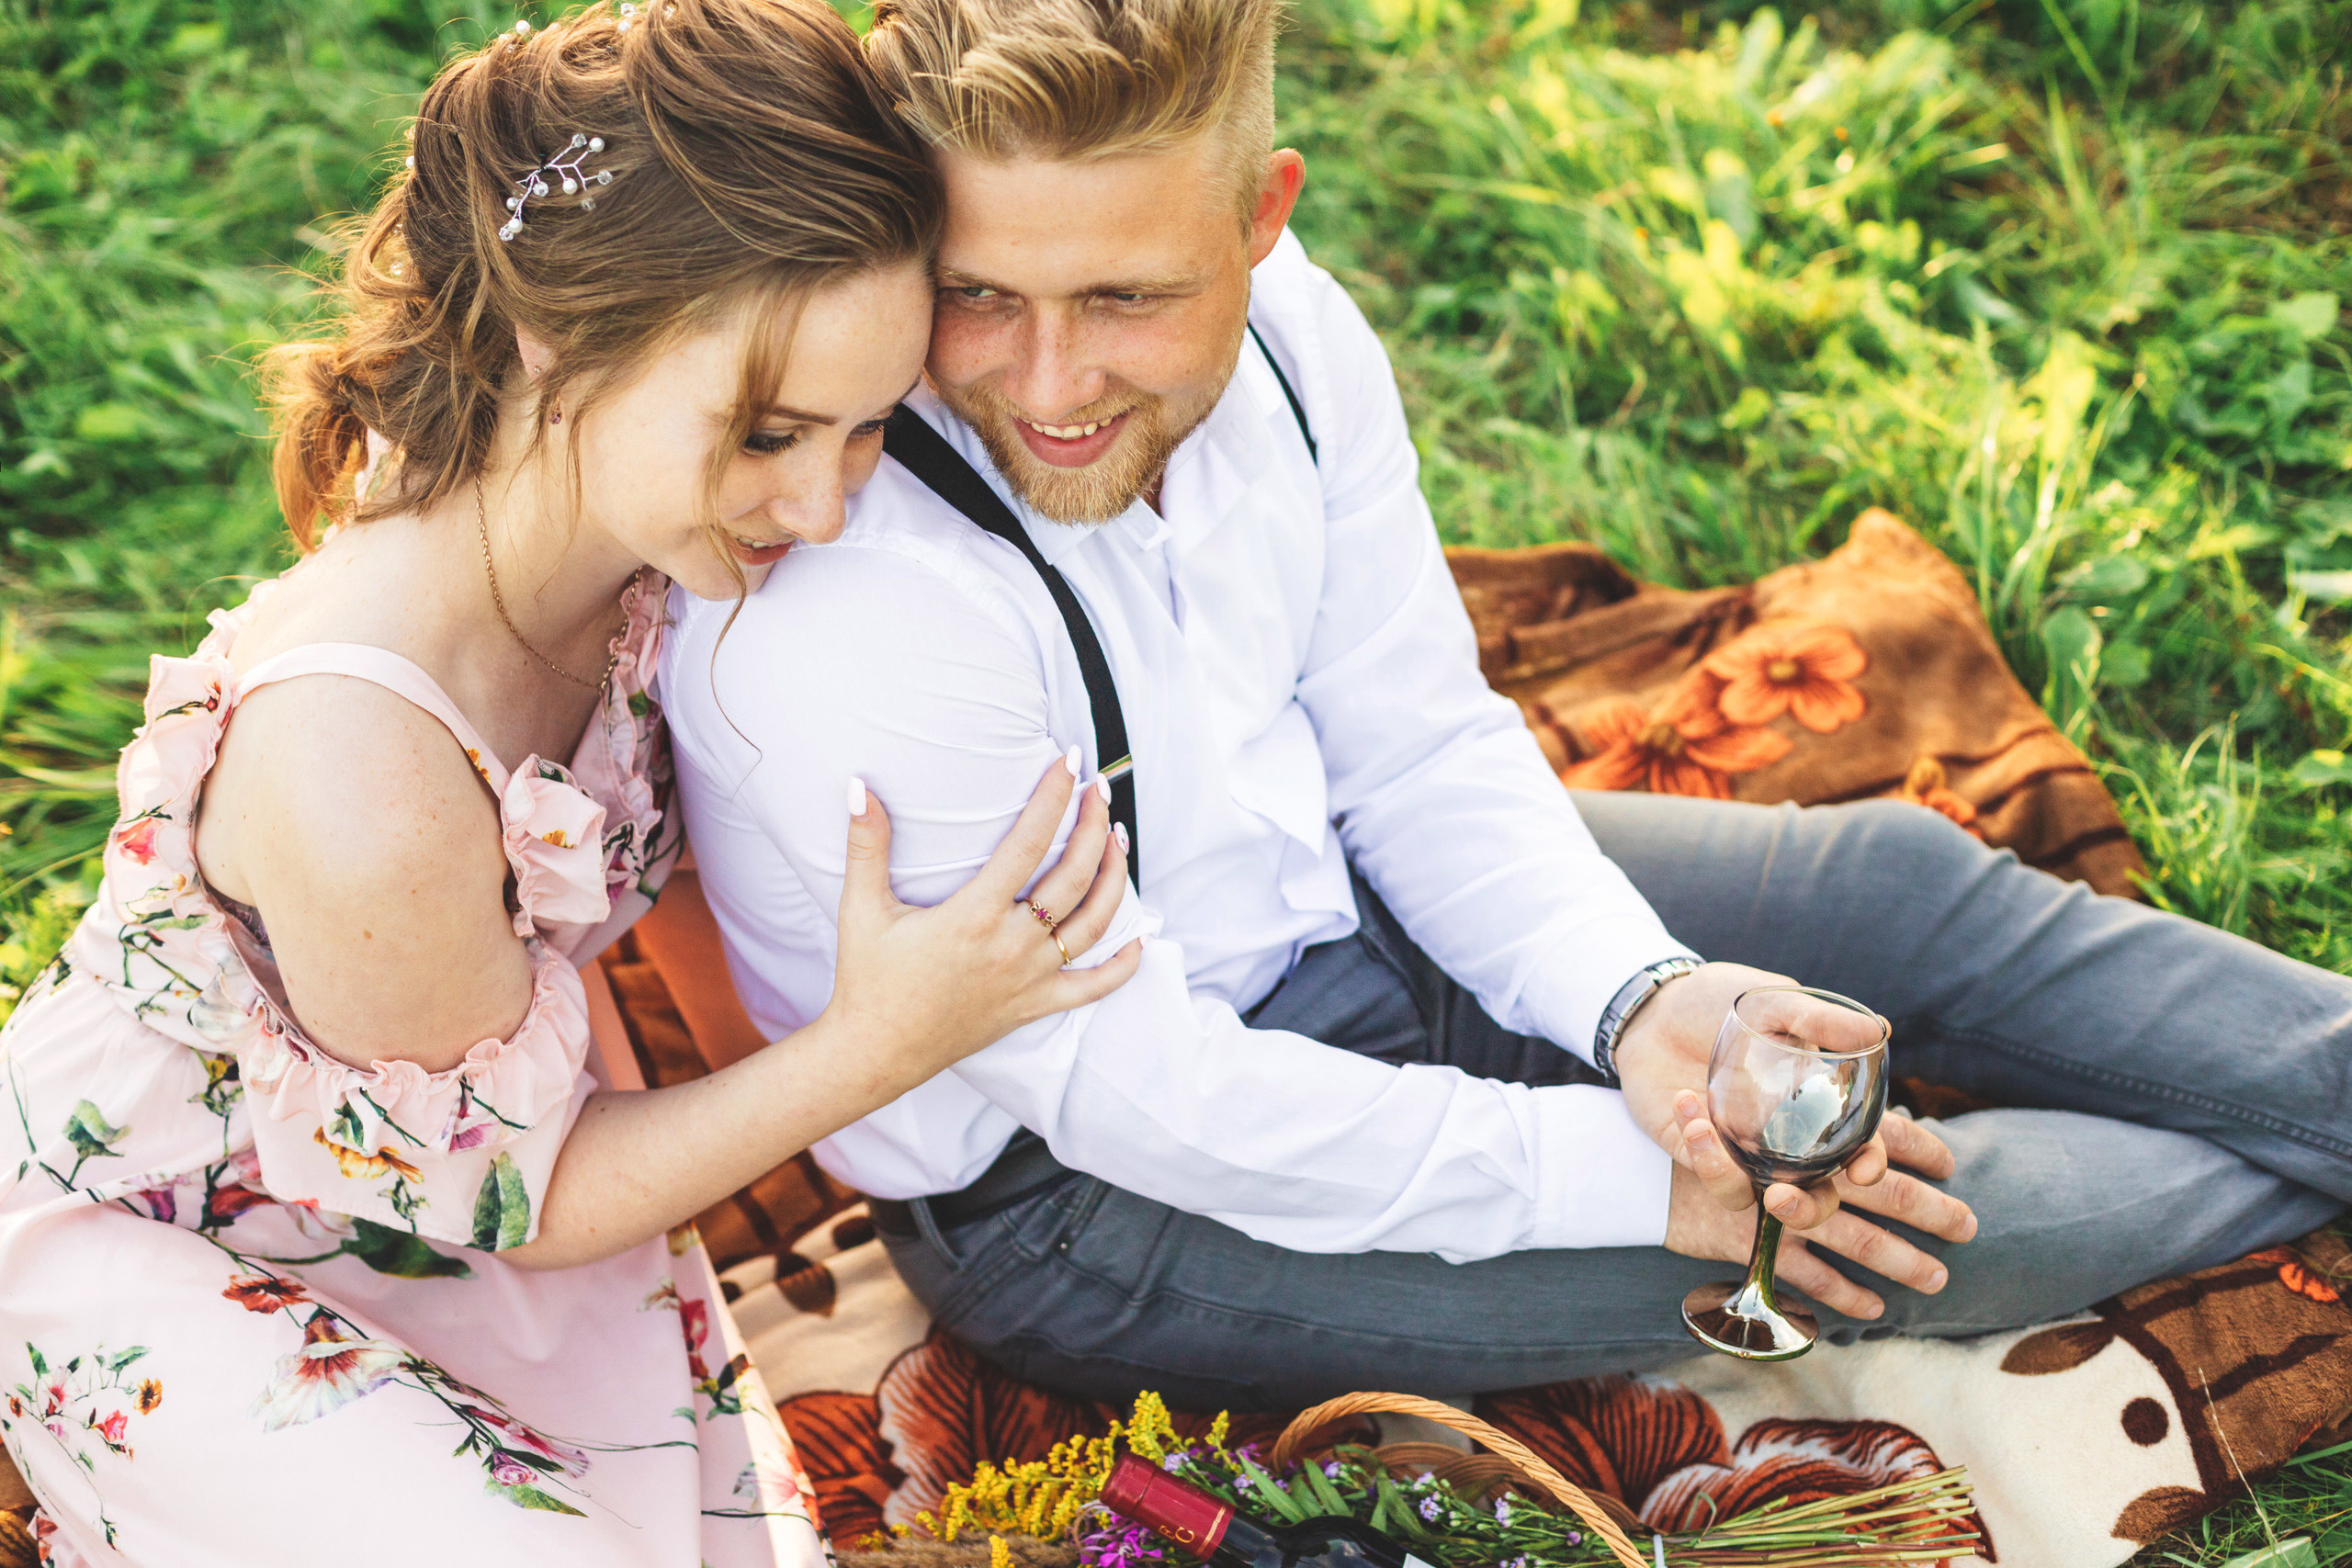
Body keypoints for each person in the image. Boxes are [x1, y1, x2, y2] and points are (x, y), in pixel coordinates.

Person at [659, 0, 2352, 1413]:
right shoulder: (857, 603)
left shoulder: (1300, 337)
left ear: (1262, 219)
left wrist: (1637, 1005)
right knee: (1881, 1228)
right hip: (1095, 1191)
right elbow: (1157, 1097)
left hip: (1337, 891)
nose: (1049, 385)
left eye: (1127, 299)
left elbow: (1414, 740)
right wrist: (1661, 1177)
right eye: (979, 295)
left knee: (1893, 882)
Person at [0, 4, 1140, 1562]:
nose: (818, 505)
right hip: (201, 1223)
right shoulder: (365, 774)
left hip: (464, 1151)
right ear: (558, 336)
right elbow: (517, 1203)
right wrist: (887, 1038)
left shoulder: (628, 536)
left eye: (867, 429)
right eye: (765, 433)